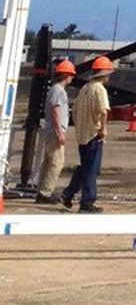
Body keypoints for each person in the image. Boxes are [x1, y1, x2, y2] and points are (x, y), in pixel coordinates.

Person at [61, 55, 114, 213]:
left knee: (85, 166)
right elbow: (104, 111)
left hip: (83, 133)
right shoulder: (100, 89)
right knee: (92, 169)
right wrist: (103, 129)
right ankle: (87, 202)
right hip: (93, 133)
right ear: (104, 74)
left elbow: (75, 109)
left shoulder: (85, 88)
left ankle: (69, 193)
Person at [34, 60, 76, 203]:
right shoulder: (58, 91)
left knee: (48, 162)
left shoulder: (55, 90)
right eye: (71, 75)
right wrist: (60, 132)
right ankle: (45, 193)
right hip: (55, 131)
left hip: (51, 131)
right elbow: (56, 112)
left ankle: (41, 191)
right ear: (65, 75)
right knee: (57, 162)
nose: (72, 77)